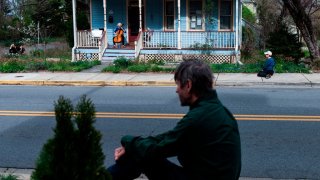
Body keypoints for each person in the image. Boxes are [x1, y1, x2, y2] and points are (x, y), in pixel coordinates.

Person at [107, 60, 242, 180]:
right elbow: (170, 137)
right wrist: (133, 145)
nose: (176, 90)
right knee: (139, 151)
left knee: (142, 156)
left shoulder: (198, 118)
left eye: (178, 85)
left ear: (188, 85)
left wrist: (129, 142)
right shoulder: (217, 110)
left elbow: (160, 148)